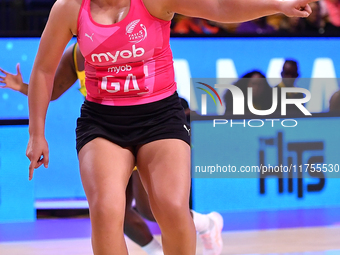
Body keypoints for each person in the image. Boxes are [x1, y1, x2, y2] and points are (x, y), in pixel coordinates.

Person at [25, 0, 317, 254]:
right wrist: (36, 133)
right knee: (105, 211)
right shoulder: (69, 9)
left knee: (170, 208)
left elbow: (219, 7)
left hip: (160, 117)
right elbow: (43, 70)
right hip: (102, 122)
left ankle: (203, 227)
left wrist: (278, 5)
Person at [1, 42, 224, 255]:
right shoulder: (75, 54)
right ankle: (158, 251)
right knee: (115, 214)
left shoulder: (125, 38)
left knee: (152, 209)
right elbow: (52, 90)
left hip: (145, 127)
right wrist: (22, 87)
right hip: (108, 132)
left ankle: (207, 223)